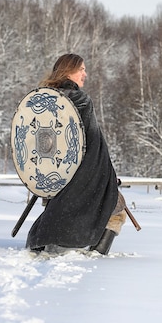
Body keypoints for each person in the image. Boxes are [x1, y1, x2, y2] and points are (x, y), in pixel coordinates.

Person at [26, 53, 127, 254]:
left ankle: (50, 237)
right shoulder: (79, 99)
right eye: (81, 69)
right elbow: (93, 143)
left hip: (51, 177)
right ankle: (96, 252)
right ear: (68, 70)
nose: (85, 74)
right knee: (117, 208)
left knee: (59, 208)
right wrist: (105, 176)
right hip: (79, 176)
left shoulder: (44, 98)